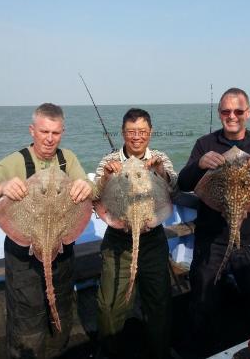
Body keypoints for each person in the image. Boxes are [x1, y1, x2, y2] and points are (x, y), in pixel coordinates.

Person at [178, 88, 250, 357]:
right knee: (202, 305)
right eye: (225, 111)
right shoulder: (204, 144)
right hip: (211, 239)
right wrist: (199, 164)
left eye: (238, 111)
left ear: (248, 113)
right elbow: (183, 183)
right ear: (219, 113)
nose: (232, 116)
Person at [0, 103, 94, 359]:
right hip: (25, 257)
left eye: (55, 133)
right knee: (27, 320)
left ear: (62, 132)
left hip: (62, 251)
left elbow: (90, 188)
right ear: (32, 130)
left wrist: (86, 186)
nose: (49, 139)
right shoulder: (16, 161)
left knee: (61, 311)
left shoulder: (68, 159)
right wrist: (2, 187)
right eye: (44, 132)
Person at [94, 108, 177, 359]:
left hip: (152, 239)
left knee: (159, 302)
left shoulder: (160, 157)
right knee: (109, 305)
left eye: (142, 132)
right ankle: (110, 351)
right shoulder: (108, 160)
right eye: (131, 132)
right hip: (119, 240)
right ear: (123, 133)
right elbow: (96, 197)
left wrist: (161, 172)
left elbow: (174, 189)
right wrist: (106, 178)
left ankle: (159, 351)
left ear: (150, 132)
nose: (137, 137)